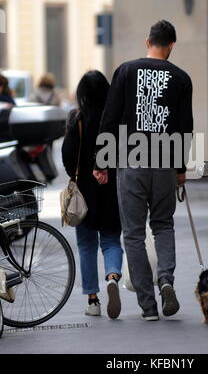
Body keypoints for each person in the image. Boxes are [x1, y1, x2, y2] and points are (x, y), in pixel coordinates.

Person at [94, 20, 194, 321]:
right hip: (164, 163)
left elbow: (110, 118)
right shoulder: (181, 78)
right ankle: (165, 280)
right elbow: (185, 128)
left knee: (134, 234)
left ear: (146, 41)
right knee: (163, 225)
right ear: (171, 46)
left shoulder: (125, 71)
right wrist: (180, 169)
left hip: (131, 162)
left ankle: (148, 307)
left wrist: (101, 161)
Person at [62, 70, 123, 319]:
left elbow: (68, 155)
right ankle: (112, 276)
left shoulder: (77, 118)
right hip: (112, 188)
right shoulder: (116, 119)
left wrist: (76, 175)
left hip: (84, 190)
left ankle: (93, 300)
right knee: (111, 240)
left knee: (86, 246)